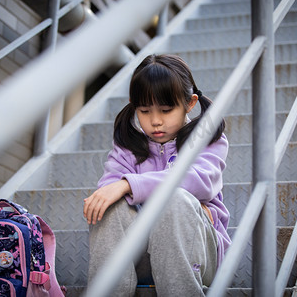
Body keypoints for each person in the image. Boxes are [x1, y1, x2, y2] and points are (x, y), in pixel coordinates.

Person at [83, 54, 231, 296]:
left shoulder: (207, 138)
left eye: (166, 110)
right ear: (133, 105)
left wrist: (128, 185)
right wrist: (119, 188)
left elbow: (200, 181)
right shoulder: (128, 145)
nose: (155, 121)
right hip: (142, 257)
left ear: (190, 103)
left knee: (176, 200)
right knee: (109, 206)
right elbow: (109, 190)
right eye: (144, 111)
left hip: (195, 255)